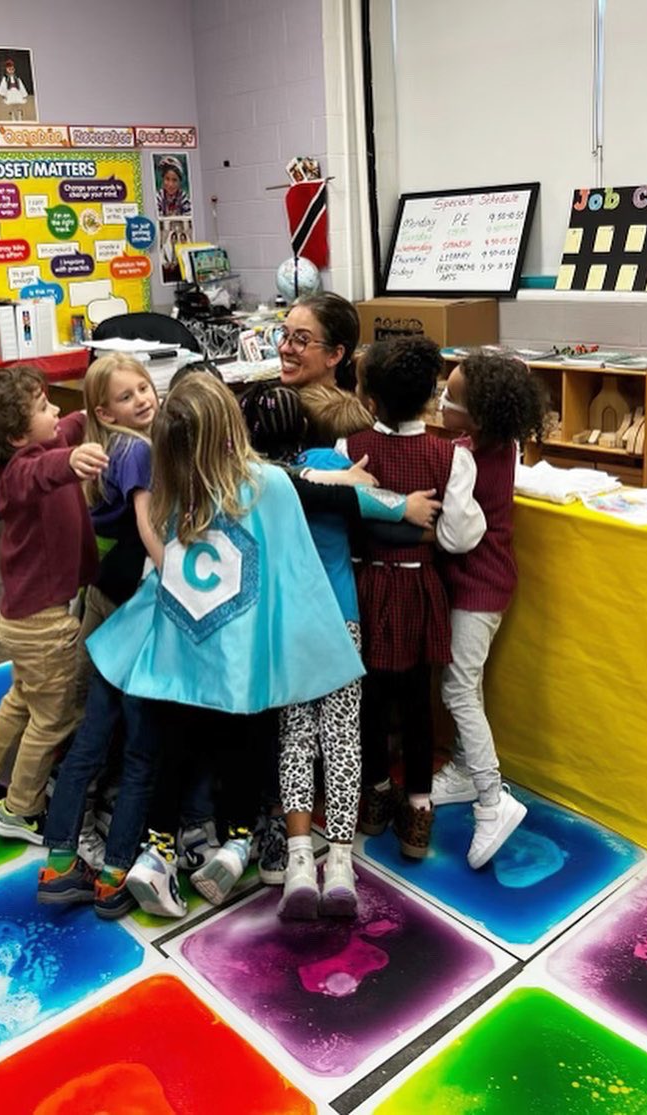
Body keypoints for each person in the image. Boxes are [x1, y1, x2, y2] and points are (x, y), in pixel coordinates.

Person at [82, 374, 365, 918]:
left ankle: (157, 853)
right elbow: (296, 573)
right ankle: (238, 845)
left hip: (179, 652)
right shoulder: (267, 485)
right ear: (232, 426)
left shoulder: (171, 487)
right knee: (250, 743)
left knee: (173, 750)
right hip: (244, 657)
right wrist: (317, 645)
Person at [240, 382, 440, 919]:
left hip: (285, 623)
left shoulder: (250, 479)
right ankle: (343, 866)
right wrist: (406, 511)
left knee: (296, 738)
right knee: (343, 738)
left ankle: (301, 859)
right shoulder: (328, 460)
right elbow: (370, 512)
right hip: (339, 617)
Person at [0, 366, 107, 842]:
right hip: (43, 622)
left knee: (20, 699)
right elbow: (44, 472)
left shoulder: (45, 441)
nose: (54, 410)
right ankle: (19, 809)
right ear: (18, 436)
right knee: (53, 717)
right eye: (43, 407)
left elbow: (70, 425)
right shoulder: (20, 473)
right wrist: (73, 459)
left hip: (22, 616)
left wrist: (98, 407)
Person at [344, 337, 486, 859]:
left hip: (370, 585)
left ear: (372, 401)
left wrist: (383, 527)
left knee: (371, 698)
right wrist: (422, 533)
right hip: (421, 587)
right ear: (430, 397)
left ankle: (377, 795)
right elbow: (461, 536)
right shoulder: (451, 457)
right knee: (418, 703)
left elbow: (347, 518)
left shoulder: (351, 447)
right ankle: (419, 811)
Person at [37, 354, 165, 918]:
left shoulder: (104, 445)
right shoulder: (136, 449)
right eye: (126, 396)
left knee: (94, 728)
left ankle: (59, 861)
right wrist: (180, 574)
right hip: (135, 605)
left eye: (144, 387)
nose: (142, 399)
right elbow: (147, 523)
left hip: (103, 594)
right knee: (139, 742)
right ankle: (115, 875)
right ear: (102, 411)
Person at [432, 353, 546, 867]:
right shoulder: (494, 443)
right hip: (476, 584)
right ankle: (461, 766)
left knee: (457, 687)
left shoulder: (467, 456)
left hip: (480, 585)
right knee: (466, 681)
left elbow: (457, 533)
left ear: (477, 417)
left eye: (451, 398)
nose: (442, 401)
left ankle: (491, 799)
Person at [277, 292, 360, 392]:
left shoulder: (338, 407)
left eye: (301, 340)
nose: (284, 348)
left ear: (334, 355)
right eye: (285, 334)